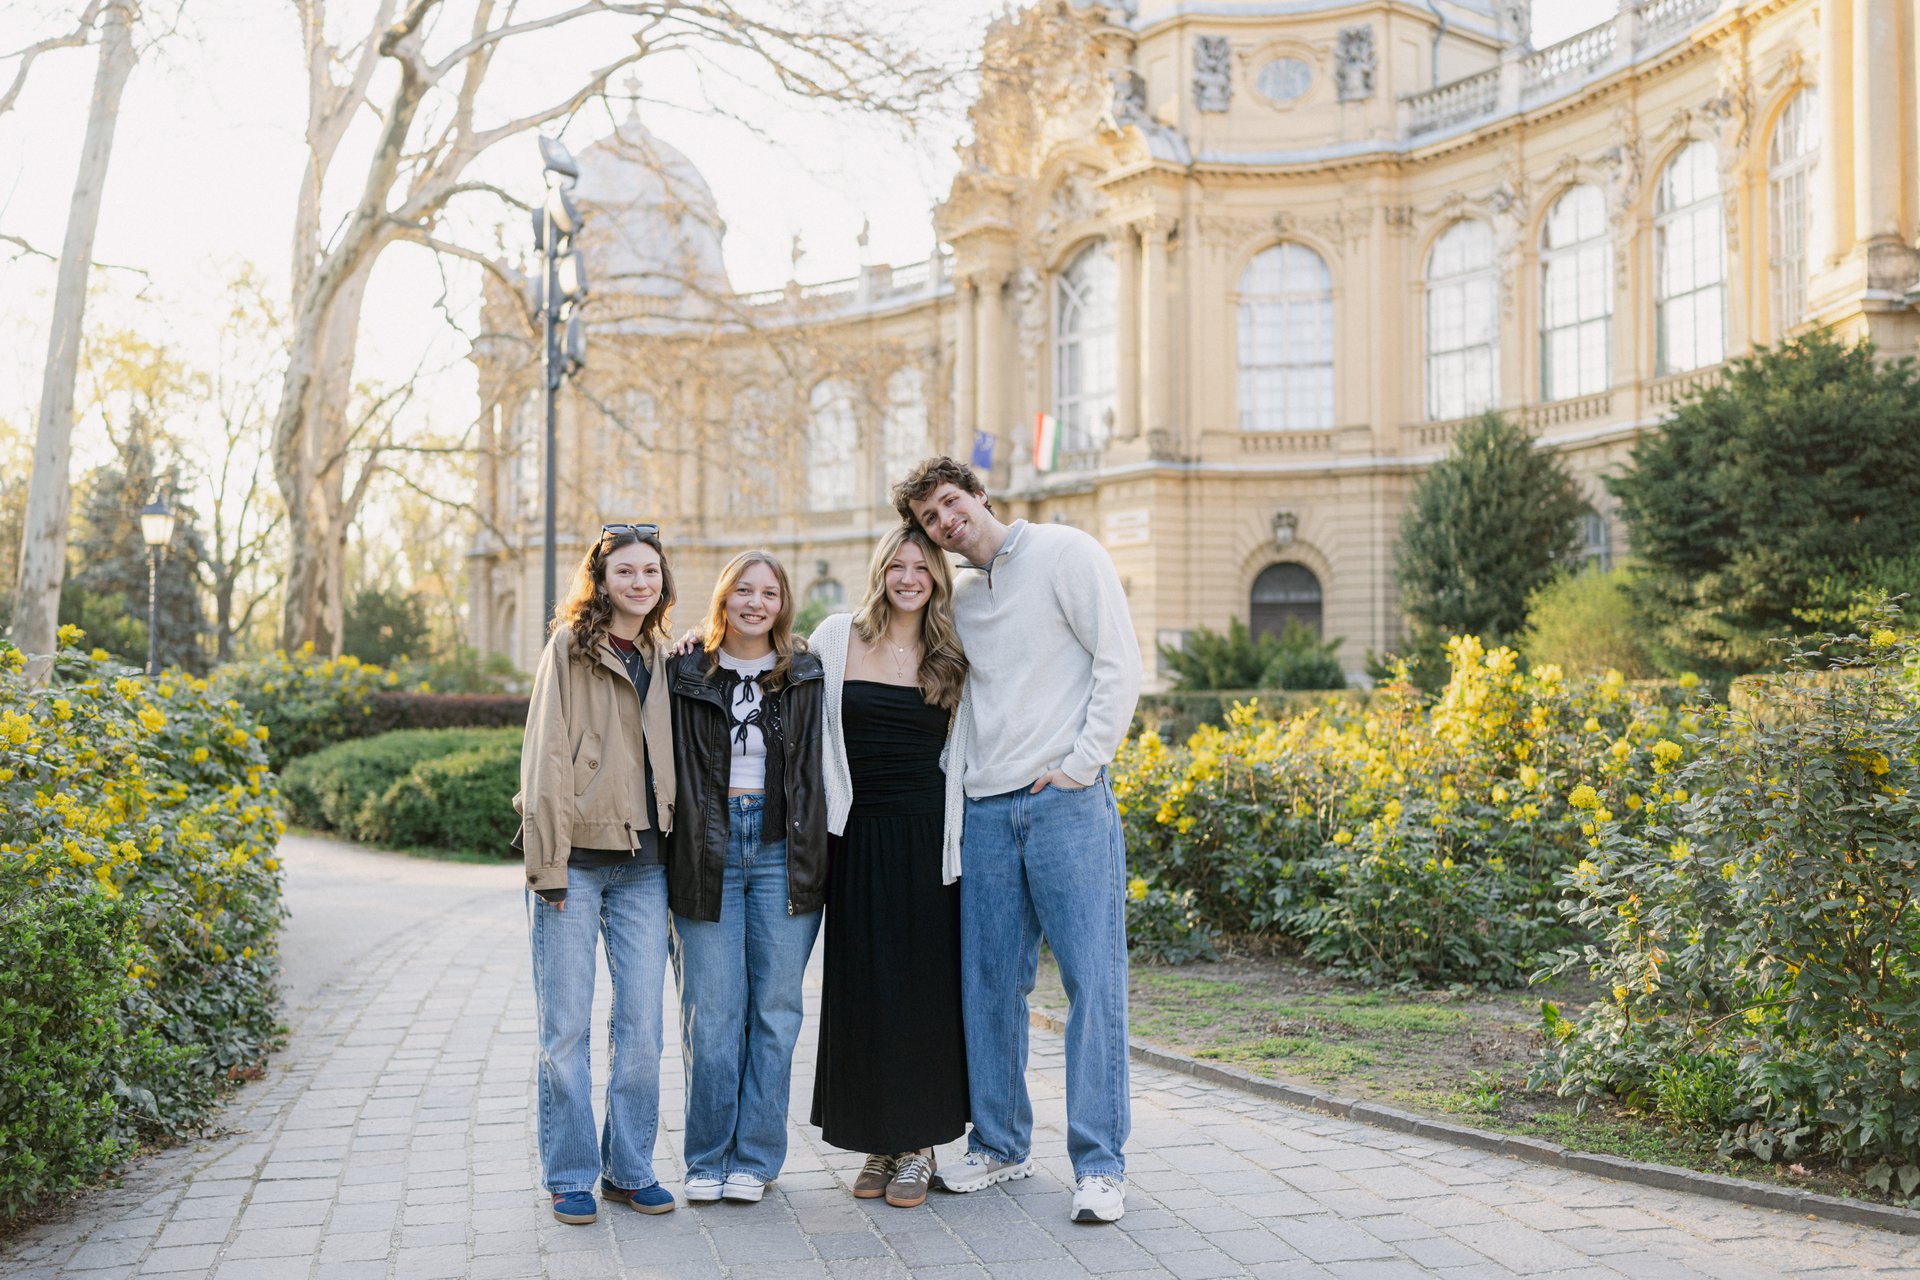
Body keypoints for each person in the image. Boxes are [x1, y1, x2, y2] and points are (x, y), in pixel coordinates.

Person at [898, 457, 1142, 1225]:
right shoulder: (962, 600)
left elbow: (1119, 664)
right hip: (986, 811)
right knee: (990, 987)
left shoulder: (1068, 553)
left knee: (1092, 984)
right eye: (931, 519)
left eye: (950, 503)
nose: (946, 522)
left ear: (978, 494)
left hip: (1065, 804)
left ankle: (1099, 1167)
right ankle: (1001, 1144)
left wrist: (1080, 767)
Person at [516, 523, 679, 1226]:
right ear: (602, 581)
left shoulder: (669, 655)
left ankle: (629, 1169)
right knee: (565, 1032)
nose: (639, 583)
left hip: (646, 864)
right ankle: (570, 1174)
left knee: (642, 1031)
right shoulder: (569, 648)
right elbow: (545, 755)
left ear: (662, 582)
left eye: (650, 572)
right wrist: (547, 865)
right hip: (575, 865)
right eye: (626, 572)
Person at [809, 524, 970, 1209]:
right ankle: (881, 1140)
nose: (909, 578)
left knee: (923, 990)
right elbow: (775, 673)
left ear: (938, 577)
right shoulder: (836, 636)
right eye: (898, 566)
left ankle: (921, 1145)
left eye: (922, 567)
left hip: (931, 838)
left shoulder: (954, 648)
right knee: (866, 988)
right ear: (880, 570)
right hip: (856, 834)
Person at [665, 550, 826, 1204]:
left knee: (776, 1013)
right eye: (744, 591)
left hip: (785, 852)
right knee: (712, 1015)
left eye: (769, 593)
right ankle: (706, 1157)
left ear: (782, 604)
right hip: (707, 849)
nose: (756, 603)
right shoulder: (684, 670)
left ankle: (756, 1159)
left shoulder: (807, 672)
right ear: (724, 598)